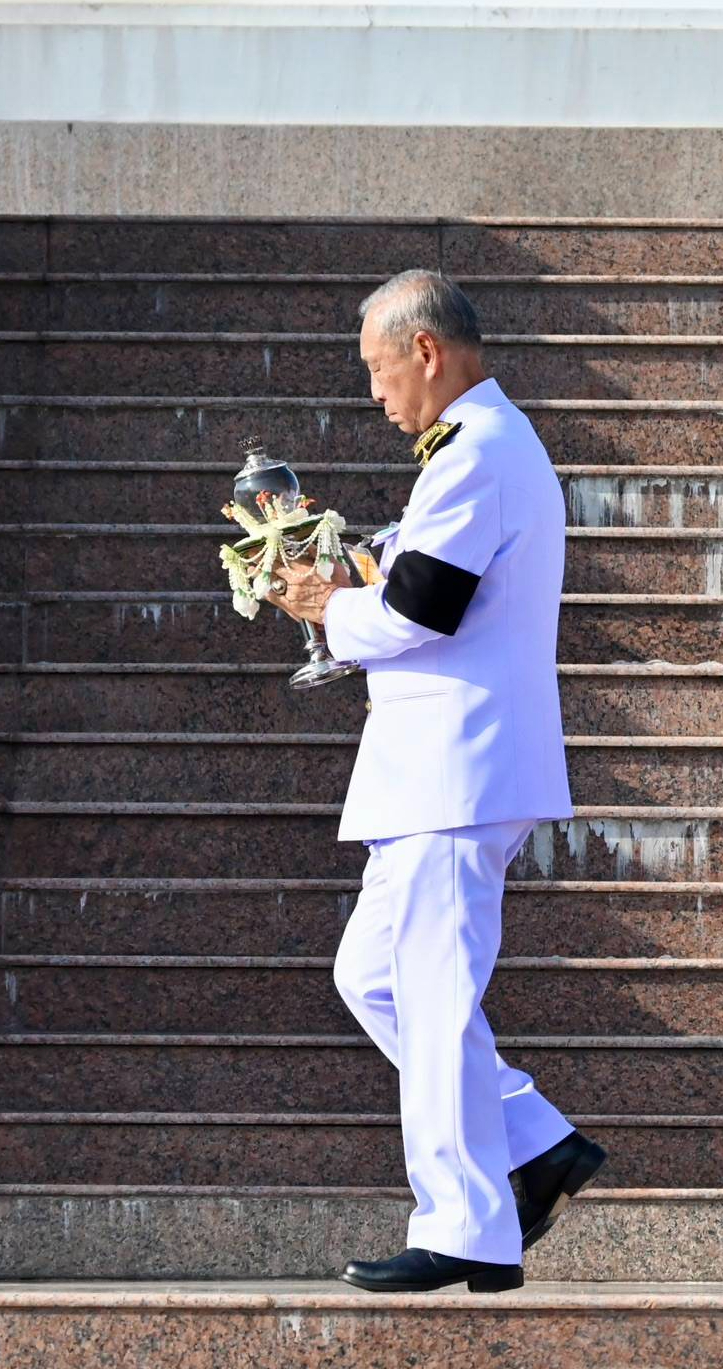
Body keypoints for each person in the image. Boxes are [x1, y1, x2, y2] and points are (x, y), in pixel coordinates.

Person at [265, 269, 605, 1294]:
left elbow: (422, 608)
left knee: (431, 995)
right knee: (374, 976)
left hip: (455, 770)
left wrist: (324, 610)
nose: (375, 393)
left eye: (379, 370)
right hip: (441, 771)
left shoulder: (479, 450)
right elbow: (416, 573)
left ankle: (464, 1226)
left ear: (426, 351)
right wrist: (349, 574)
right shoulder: (477, 447)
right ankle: (535, 1143)